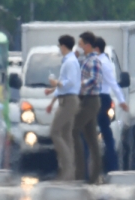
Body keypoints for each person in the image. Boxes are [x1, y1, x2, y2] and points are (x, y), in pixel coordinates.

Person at [45, 35, 81, 181]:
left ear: (64, 46)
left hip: (69, 101)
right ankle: (68, 174)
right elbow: (66, 84)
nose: (59, 49)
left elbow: (70, 83)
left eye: (60, 46)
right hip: (67, 99)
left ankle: (68, 167)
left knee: (55, 132)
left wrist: (56, 83)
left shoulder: (70, 62)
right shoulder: (69, 61)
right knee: (66, 135)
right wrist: (53, 91)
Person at [93, 37, 129, 174]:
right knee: (104, 133)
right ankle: (110, 166)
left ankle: (111, 166)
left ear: (97, 49)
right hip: (99, 98)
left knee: (104, 134)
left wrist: (122, 101)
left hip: (102, 99)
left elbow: (113, 83)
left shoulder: (103, 63)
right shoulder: (99, 62)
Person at [72, 31, 103, 184]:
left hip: (91, 101)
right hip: (86, 100)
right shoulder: (85, 60)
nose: (80, 46)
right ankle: (94, 177)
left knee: (74, 129)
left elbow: (95, 80)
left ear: (88, 45)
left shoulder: (95, 61)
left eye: (81, 44)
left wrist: (80, 86)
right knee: (91, 139)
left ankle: (80, 174)